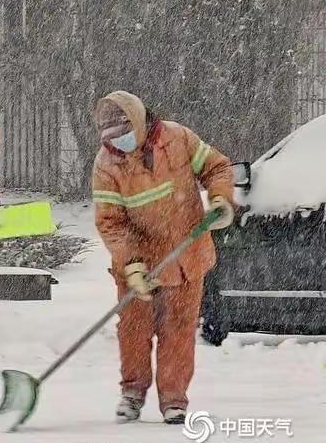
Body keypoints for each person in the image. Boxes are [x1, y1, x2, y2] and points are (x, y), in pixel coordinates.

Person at [91, 91, 235, 424]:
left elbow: (217, 167)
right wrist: (132, 264)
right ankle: (132, 393)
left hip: (186, 254)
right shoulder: (106, 164)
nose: (118, 143)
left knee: (179, 329)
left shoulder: (178, 138)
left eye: (122, 133)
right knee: (134, 329)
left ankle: (173, 399)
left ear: (138, 122)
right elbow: (110, 221)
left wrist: (220, 200)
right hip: (139, 261)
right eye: (110, 137)